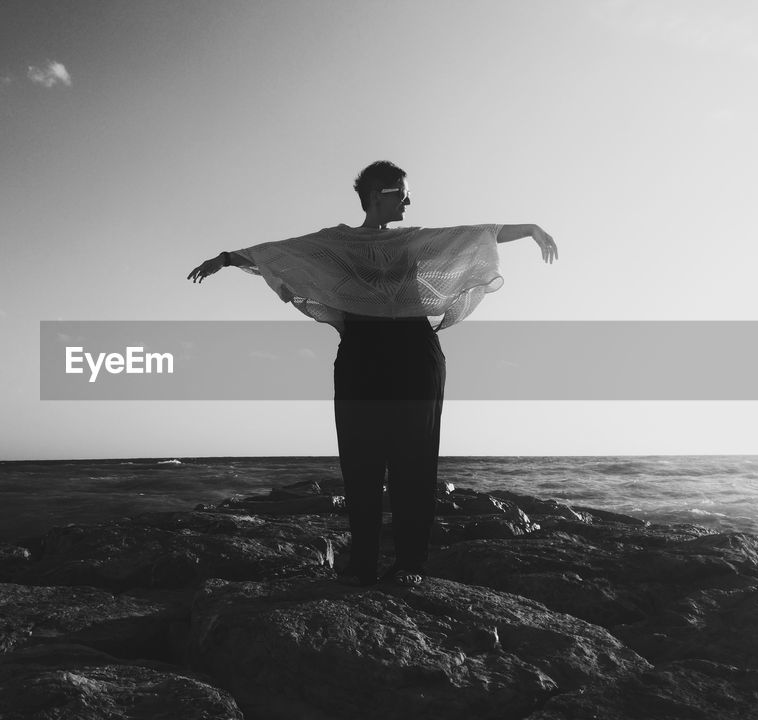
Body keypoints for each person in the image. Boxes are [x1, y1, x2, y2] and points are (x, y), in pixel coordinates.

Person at [187, 161, 557, 587]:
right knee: (360, 461)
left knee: (414, 462)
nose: (409, 200)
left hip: (416, 357)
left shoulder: (412, 242)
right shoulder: (337, 244)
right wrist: (228, 258)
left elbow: (473, 235)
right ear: (377, 195)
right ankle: (362, 563)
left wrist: (528, 228)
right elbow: (283, 252)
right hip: (361, 356)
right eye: (401, 192)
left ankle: (409, 565)